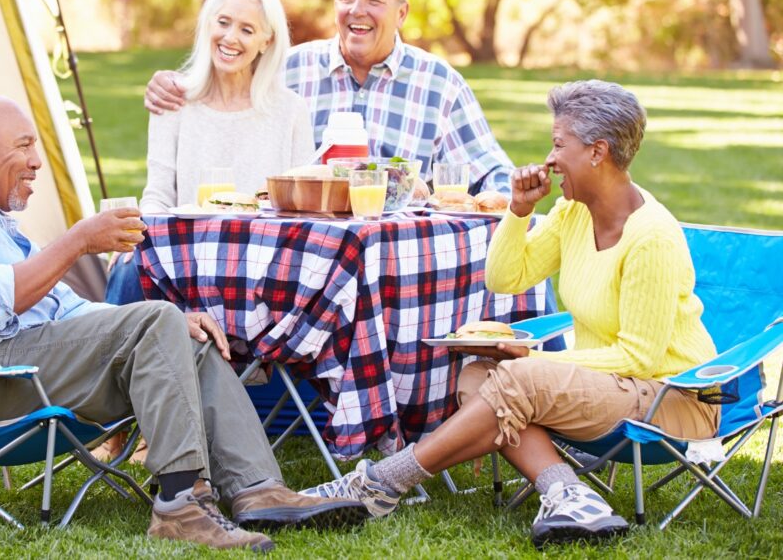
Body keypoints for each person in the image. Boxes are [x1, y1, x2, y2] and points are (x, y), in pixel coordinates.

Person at [0, 93, 367, 551]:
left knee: (182, 330)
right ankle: (180, 505)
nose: (36, 161)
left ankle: (259, 490)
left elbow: (67, 313)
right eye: (24, 146)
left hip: (31, 367)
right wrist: (78, 241)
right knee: (158, 321)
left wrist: (167, 324)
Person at [298, 80, 719, 547]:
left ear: (598, 152)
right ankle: (570, 493)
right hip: (612, 386)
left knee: (515, 379)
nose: (550, 157)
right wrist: (519, 211)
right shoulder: (572, 213)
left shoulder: (652, 237)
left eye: (560, 144)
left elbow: (640, 358)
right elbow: (504, 278)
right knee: (480, 376)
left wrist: (533, 364)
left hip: (672, 400)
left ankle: (380, 483)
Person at [143, 0, 513, 195]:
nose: (358, 11)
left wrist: (513, 209)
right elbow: (227, 68)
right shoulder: (288, 70)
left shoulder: (439, 84)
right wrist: (170, 83)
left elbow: (493, 176)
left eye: (374, 1)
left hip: (400, 251)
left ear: (401, 13)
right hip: (312, 252)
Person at [105, 0, 314, 304]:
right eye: (223, 22)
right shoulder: (174, 101)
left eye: (247, 29)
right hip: (183, 257)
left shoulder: (290, 111)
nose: (230, 37)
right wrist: (142, 242)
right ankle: (110, 354)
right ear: (208, 26)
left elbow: (304, 208)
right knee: (128, 268)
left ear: (266, 41)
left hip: (262, 260)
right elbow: (158, 195)